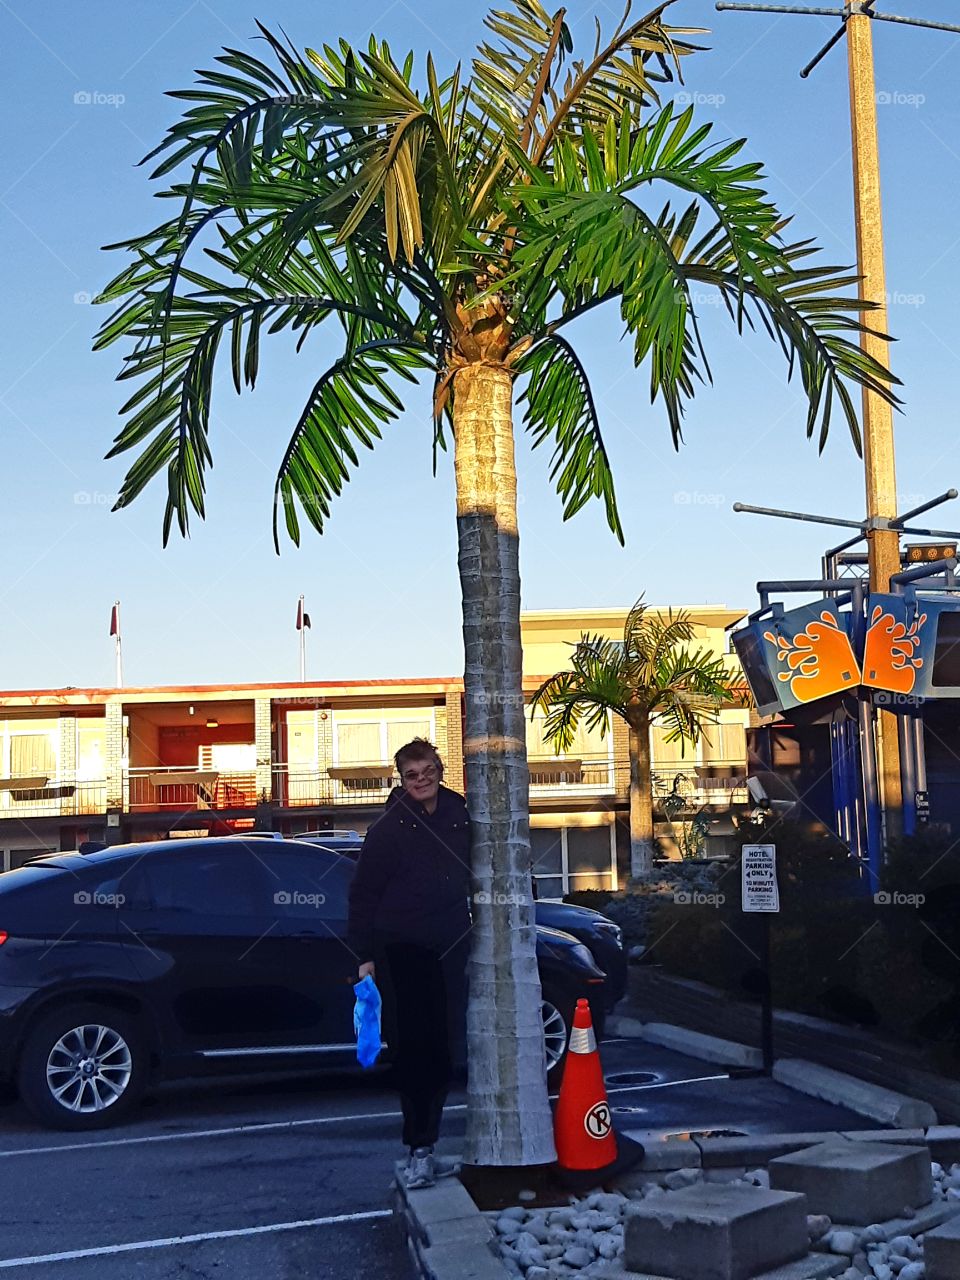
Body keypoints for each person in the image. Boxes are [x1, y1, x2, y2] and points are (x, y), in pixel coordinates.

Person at [347, 738, 472, 1188]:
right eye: (411, 775)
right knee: (415, 1050)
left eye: (428, 771)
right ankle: (420, 1146)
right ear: (402, 779)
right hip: (401, 948)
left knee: (446, 1048)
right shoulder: (388, 830)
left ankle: (438, 1140)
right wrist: (362, 958)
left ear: (439, 769)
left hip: (452, 944)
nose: (422, 781)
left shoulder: (462, 816)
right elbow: (362, 895)